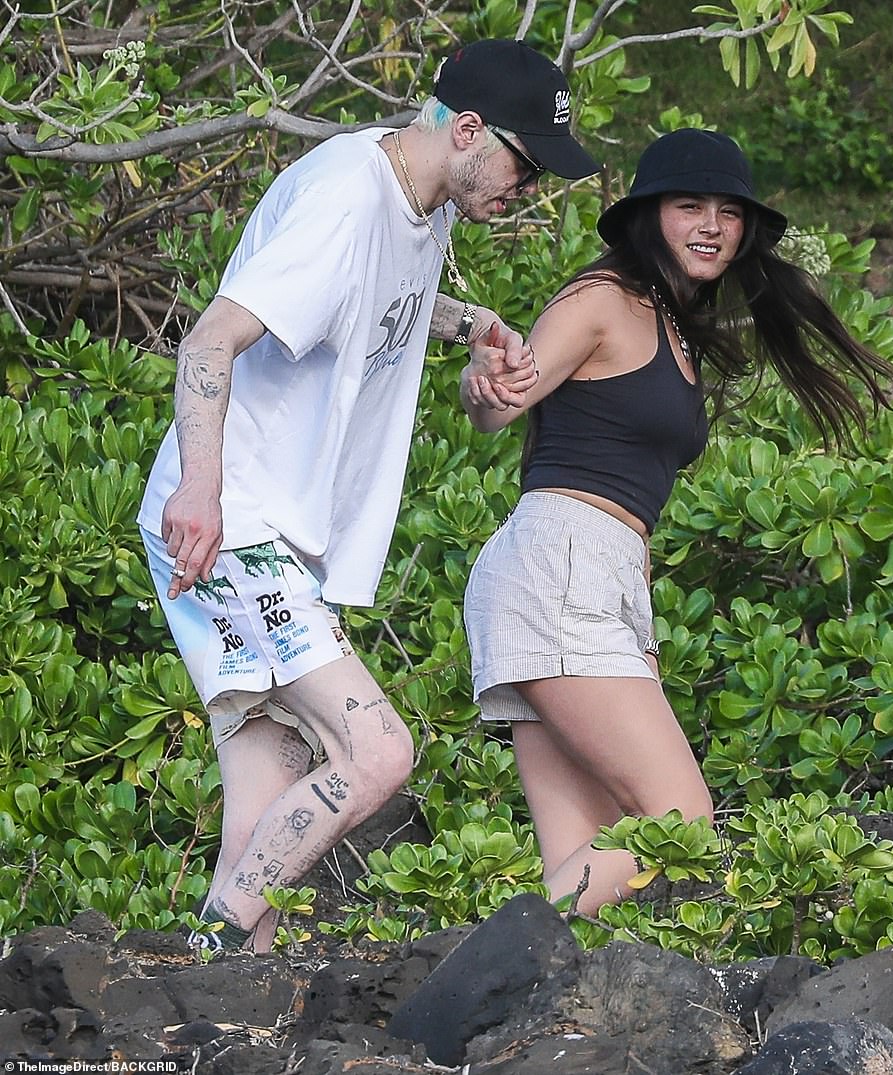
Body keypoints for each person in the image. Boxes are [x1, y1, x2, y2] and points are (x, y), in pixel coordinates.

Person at [137, 38, 600, 953]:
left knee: (270, 789)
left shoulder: (423, 204)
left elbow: (375, 299)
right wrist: (199, 489)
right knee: (378, 751)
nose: (529, 191)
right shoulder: (348, 198)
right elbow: (206, 344)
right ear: (468, 129)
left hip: (275, 532)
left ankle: (224, 999)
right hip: (234, 523)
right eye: (525, 165)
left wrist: (475, 322)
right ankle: (213, 939)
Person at [461, 128, 893, 916]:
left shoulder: (671, 322)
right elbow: (507, 396)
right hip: (562, 566)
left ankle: (484, 1007)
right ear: (647, 216)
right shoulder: (603, 301)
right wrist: (485, 385)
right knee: (679, 824)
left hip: (592, 575)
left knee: (581, 861)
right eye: (688, 205)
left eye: (729, 212)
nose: (711, 225)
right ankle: (462, 973)